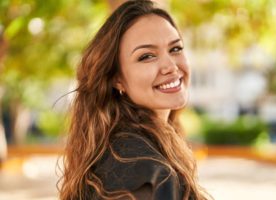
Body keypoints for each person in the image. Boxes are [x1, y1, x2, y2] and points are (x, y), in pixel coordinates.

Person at [59, 0, 210, 199]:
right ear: (117, 79)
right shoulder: (147, 172)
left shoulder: (125, 150)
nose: (171, 66)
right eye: (147, 56)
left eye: (175, 49)